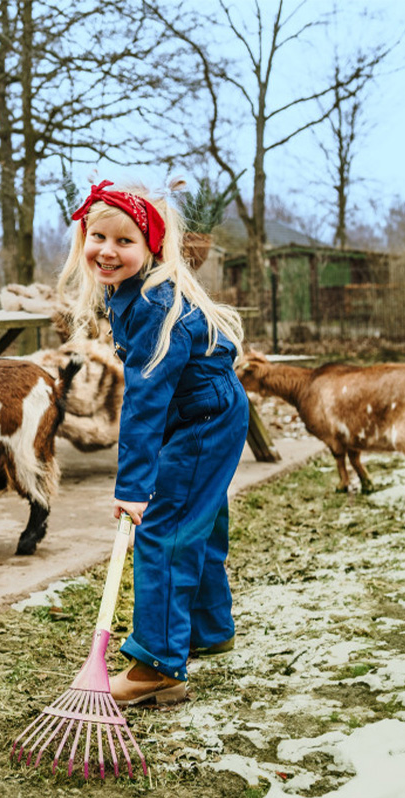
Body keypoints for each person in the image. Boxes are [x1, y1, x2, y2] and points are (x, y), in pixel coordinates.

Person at [58, 179, 249, 706]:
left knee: (164, 531)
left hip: (202, 420)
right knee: (198, 520)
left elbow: (144, 400)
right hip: (211, 410)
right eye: (99, 236)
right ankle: (209, 628)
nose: (108, 250)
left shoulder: (153, 303)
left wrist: (133, 488)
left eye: (125, 242)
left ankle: (158, 666)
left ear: (151, 250)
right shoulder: (131, 292)